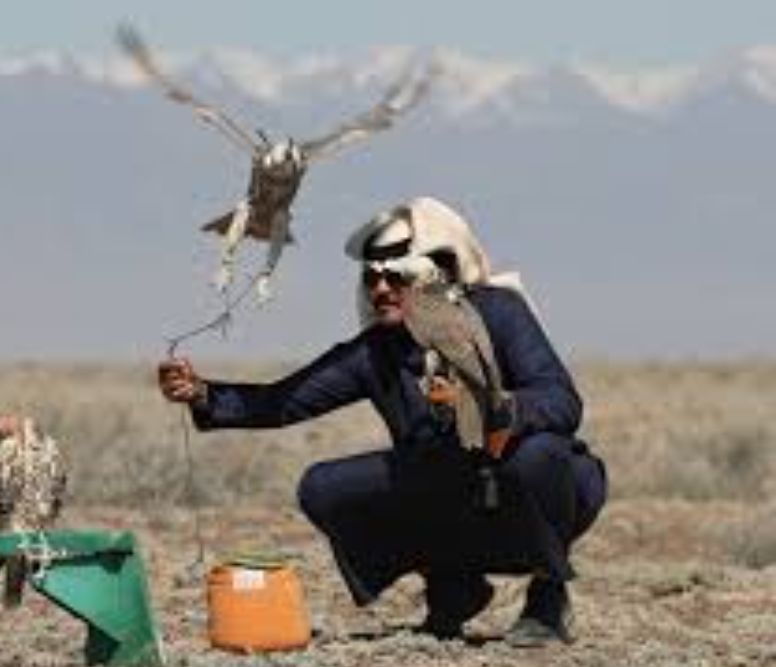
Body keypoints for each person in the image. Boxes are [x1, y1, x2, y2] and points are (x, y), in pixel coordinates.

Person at [158, 196, 607, 646]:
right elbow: (284, 401)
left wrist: (490, 407)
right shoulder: (377, 351)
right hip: (450, 494)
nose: (381, 289)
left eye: (396, 276)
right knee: (325, 488)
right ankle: (453, 584)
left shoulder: (499, 313)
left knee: (538, 456)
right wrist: (203, 394)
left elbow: (560, 402)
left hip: (534, 485)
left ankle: (548, 600)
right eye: (372, 278)